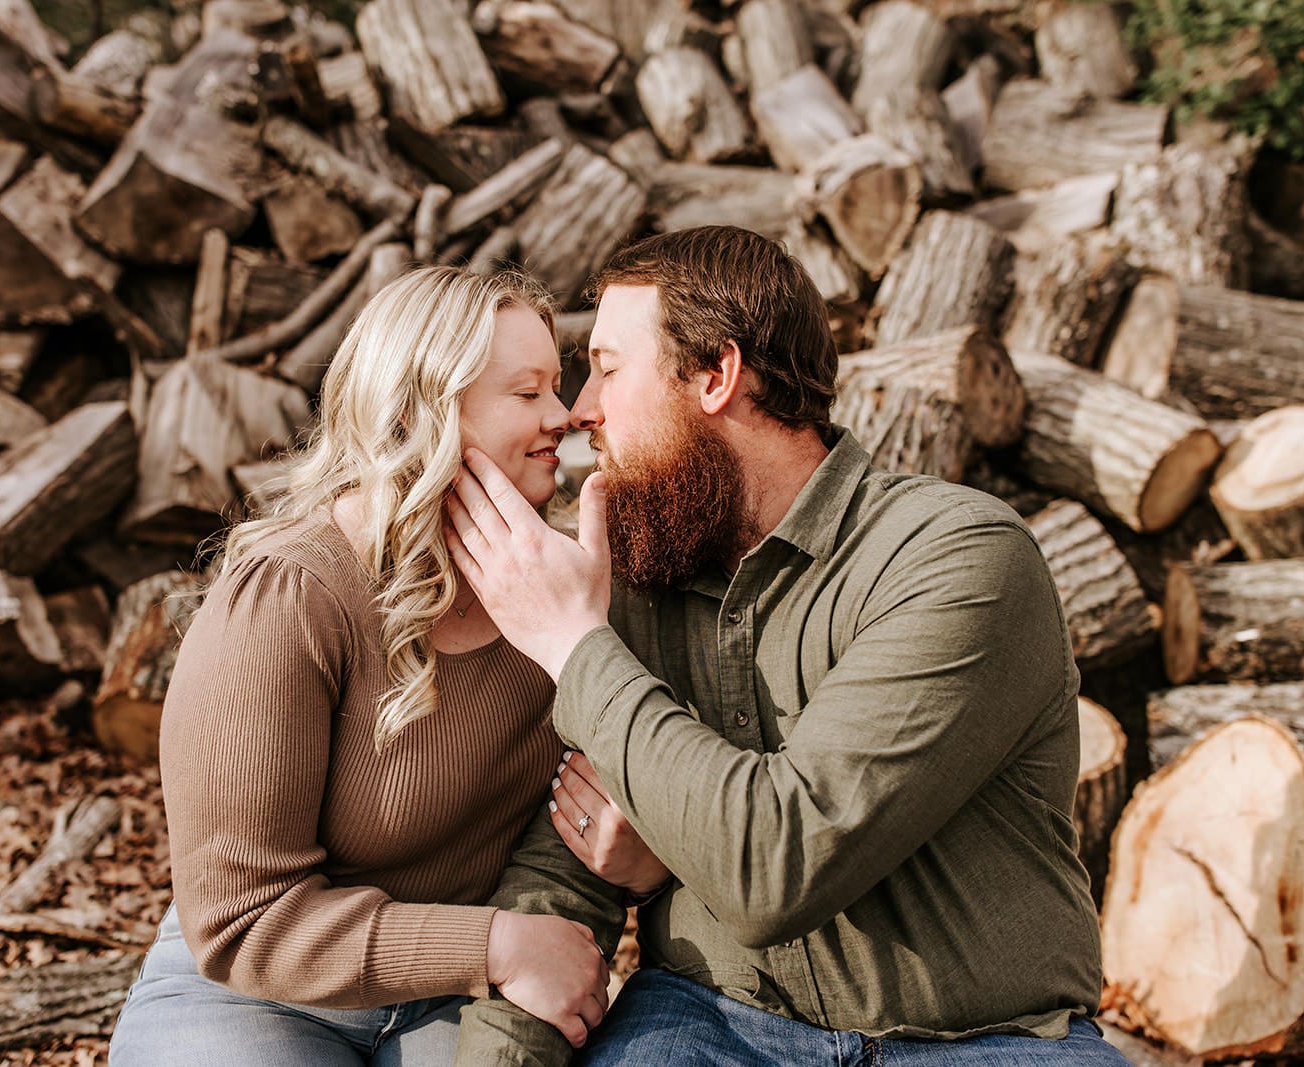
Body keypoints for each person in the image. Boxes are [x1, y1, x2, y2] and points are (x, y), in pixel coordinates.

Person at [444, 226, 1131, 1065]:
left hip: (981, 1042)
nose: (581, 409)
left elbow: (780, 863)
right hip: (709, 1022)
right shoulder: (635, 566)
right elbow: (567, 859)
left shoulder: (958, 556)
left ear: (716, 375)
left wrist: (574, 644)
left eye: (609, 368)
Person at [109, 266, 617, 1067]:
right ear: (422, 410)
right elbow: (241, 919)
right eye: (528, 394)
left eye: (559, 387)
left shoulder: (566, 583)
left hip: (465, 994)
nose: (565, 417)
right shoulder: (290, 593)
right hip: (261, 994)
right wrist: (495, 943)